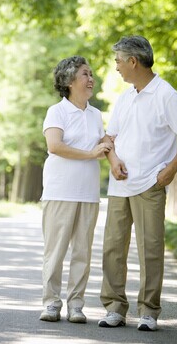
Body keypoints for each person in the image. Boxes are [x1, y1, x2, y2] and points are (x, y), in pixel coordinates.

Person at [98, 35, 177, 331]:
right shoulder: (125, 96)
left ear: (134, 61)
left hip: (150, 184)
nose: (116, 66)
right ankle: (115, 308)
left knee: (151, 248)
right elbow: (110, 138)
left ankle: (148, 311)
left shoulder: (166, 94)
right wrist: (113, 159)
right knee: (113, 248)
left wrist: (171, 170)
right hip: (120, 184)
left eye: (118, 60)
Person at [39, 56, 112, 324]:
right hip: (60, 192)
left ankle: (76, 305)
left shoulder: (95, 115)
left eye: (91, 74)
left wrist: (105, 149)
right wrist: (92, 153)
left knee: (82, 252)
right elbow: (55, 146)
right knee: (55, 251)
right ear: (70, 81)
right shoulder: (56, 112)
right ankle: (51, 303)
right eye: (85, 74)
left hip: (89, 194)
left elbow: (103, 147)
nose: (91, 79)